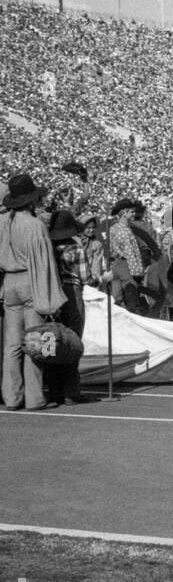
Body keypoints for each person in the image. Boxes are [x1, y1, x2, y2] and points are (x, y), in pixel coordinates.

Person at [1, 174, 66, 411]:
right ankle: (35, 398)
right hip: (30, 281)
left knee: (11, 345)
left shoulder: (3, 222)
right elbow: (44, 264)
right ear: (30, 200)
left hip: (9, 283)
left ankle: (11, 397)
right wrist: (50, 298)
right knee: (34, 342)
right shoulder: (35, 225)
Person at [47, 210, 91, 405]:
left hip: (52, 291)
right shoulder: (77, 248)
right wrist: (104, 278)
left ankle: (54, 388)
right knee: (73, 340)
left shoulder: (49, 247)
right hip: (72, 292)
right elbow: (86, 278)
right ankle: (71, 389)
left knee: (53, 340)